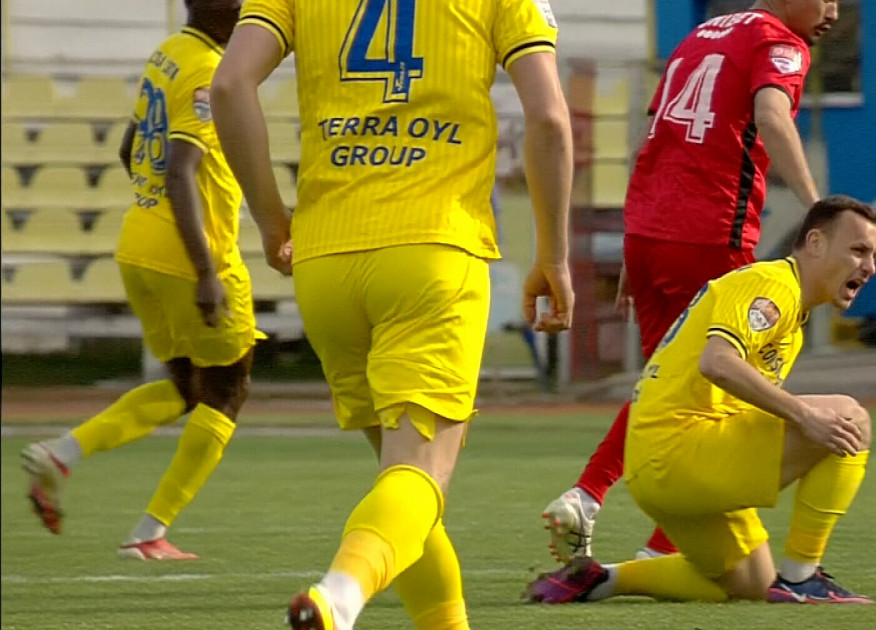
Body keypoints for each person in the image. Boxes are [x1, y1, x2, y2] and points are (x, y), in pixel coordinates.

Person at [210, 0, 574, 627]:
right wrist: (554, 254)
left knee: (404, 486)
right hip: (432, 249)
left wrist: (272, 219)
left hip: (325, 261)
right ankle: (340, 595)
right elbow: (547, 120)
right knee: (416, 477)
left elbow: (228, 84)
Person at [542, 0, 839, 565]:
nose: (833, 10)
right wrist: (817, 207)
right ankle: (657, 541)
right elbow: (773, 118)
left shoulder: (703, 34)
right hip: (709, 233)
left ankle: (593, 499)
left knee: (665, 393)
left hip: (651, 233)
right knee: (719, 391)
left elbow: (654, 136)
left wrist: (639, 238)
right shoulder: (780, 42)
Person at [524, 196, 876, 605]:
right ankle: (802, 580)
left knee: (751, 583)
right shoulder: (774, 285)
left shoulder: (790, 311)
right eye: (858, 250)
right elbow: (718, 362)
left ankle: (601, 580)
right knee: (849, 418)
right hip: (680, 450)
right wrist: (804, 416)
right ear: (815, 243)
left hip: (656, 472)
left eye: (872, 255)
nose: (869, 267)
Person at [20, 0, 255, 561]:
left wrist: (155, 221)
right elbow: (180, 170)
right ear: (216, 9)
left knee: (184, 389)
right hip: (188, 255)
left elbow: (130, 149)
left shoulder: (169, 54)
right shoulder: (206, 69)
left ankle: (61, 453)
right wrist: (203, 270)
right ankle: (150, 533)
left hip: (138, 245)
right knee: (228, 390)